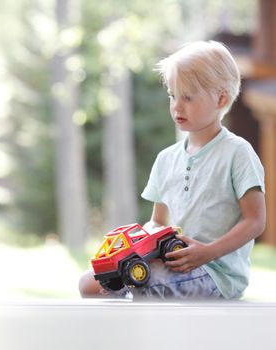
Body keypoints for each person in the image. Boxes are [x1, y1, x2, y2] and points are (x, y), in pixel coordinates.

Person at [79, 40, 266, 299]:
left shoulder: (238, 153)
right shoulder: (166, 159)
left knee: (143, 285)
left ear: (220, 98)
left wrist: (208, 252)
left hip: (216, 272)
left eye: (188, 97)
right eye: (172, 96)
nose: (177, 106)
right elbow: (159, 221)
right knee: (90, 284)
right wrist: (135, 250)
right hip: (171, 263)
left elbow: (255, 221)